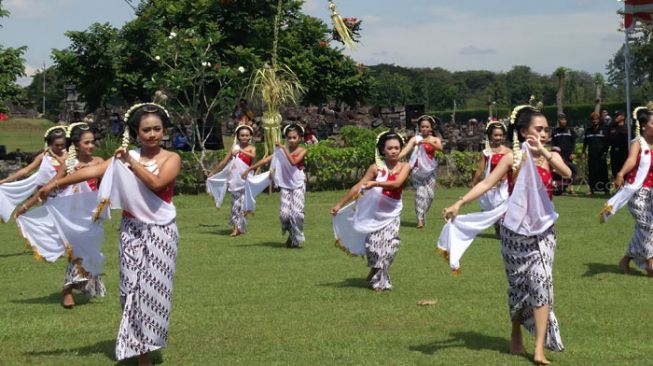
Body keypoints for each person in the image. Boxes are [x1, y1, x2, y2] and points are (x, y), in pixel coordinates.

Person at [39, 103, 181, 366]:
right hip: (131, 231)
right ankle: (141, 353)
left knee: (154, 292)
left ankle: (147, 345)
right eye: (146, 130)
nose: (152, 134)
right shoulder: (123, 158)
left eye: (157, 129)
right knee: (130, 290)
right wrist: (55, 183)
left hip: (162, 232)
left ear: (164, 130)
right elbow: (92, 171)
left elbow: (158, 183)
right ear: (137, 132)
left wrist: (129, 161)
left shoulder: (170, 158)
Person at [442, 105, 570, 364]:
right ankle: (515, 331)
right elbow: (486, 183)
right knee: (518, 287)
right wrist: (459, 203)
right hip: (513, 232)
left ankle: (538, 349)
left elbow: (567, 174)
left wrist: (543, 151)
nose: (544, 133)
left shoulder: (549, 156)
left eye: (547, 130)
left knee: (542, 282)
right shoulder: (512, 158)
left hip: (544, 231)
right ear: (523, 132)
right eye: (539, 129)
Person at [16, 122, 106, 308]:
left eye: (92, 142)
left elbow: (111, 184)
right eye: (86, 143)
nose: (90, 146)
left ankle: (84, 283)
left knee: (91, 251)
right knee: (77, 253)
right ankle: (67, 291)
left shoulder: (98, 162)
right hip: (71, 215)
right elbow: (48, 188)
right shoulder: (69, 164)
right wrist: (26, 205)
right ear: (76, 144)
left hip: (92, 214)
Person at [331, 130, 410, 291]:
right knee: (374, 246)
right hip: (374, 213)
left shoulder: (405, 166)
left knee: (390, 247)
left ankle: (379, 281)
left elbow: (396, 184)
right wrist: (340, 204)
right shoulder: (375, 168)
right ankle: (375, 269)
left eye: (397, 148)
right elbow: (357, 187)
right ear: (383, 150)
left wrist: (376, 184)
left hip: (392, 212)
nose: (394, 151)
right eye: (390, 148)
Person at [604, 105, 653, 276]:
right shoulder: (637, 143)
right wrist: (621, 173)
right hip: (636, 191)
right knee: (647, 225)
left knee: (643, 228)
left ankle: (626, 259)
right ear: (645, 125)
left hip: (652, 193)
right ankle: (650, 264)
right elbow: (632, 160)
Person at [243, 124, 308, 248]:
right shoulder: (282, 151)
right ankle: (292, 233)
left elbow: (294, 162)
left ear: (300, 138)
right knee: (284, 215)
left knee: (297, 214)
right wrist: (249, 169)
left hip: (298, 184)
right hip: (285, 185)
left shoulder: (302, 150)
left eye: (294, 138)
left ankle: (295, 238)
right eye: (289, 138)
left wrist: (283, 149)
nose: (291, 140)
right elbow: (266, 160)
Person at [0, 126, 67, 222]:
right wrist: (5, 180)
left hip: (64, 193)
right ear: (50, 145)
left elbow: (66, 166)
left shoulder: (67, 155)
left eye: (62, 145)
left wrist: (54, 155)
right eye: (57, 145)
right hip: (46, 194)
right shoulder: (43, 156)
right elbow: (26, 170)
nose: (60, 147)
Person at [207, 125, 256, 237]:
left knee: (243, 205)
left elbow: (253, 156)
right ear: (238, 136)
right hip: (235, 180)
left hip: (246, 180)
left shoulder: (251, 148)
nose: (244, 137)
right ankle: (235, 228)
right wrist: (213, 172)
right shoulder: (234, 149)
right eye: (242, 135)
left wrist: (241, 150)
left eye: (246, 135)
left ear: (250, 137)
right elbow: (224, 162)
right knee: (235, 205)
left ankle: (241, 227)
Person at [398, 115, 443, 228]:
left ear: (431, 128)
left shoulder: (435, 139)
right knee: (420, 194)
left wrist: (426, 142)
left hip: (430, 170)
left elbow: (440, 148)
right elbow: (406, 150)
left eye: (427, 126)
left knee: (430, 196)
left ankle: (422, 214)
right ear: (419, 127)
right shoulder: (415, 139)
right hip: (417, 170)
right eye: (422, 127)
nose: (424, 129)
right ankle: (419, 219)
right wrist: (396, 157)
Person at [470, 120, 510, 235]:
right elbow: (480, 169)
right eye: (496, 135)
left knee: (503, 207)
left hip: (504, 185)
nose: (498, 137)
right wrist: (474, 183)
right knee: (492, 208)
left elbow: (513, 168)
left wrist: (506, 176)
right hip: (490, 185)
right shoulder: (486, 152)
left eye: (500, 135)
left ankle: (504, 229)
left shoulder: (508, 151)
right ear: (490, 136)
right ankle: (498, 226)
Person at [582, 112, 609, 195]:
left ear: (599, 120)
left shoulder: (604, 129)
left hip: (601, 156)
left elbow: (607, 142)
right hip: (592, 155)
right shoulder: (588, 130)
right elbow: (585, 143)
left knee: (603, 172)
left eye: (596, 119)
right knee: (592, 172)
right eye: (593, 119)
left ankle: (606, 190)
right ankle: (592, 189)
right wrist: (583, 152)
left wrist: (605, 152)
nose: (595, 121)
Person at [551, 113, 577, 194]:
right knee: (559, 172)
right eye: (562, 120)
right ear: (559, 121)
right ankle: (561, 188)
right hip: (559, 156)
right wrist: (555, 155)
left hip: (568, 155)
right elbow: (553, 144)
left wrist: (573, 152)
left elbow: (574, 142)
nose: (564, 121)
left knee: (571, 171)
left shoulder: (570, 130)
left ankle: (571, 188)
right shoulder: (555, 131)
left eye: (565, 120)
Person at [608, 111, 629, 180]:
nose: (615, 117)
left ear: (623, 117)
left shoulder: (628, 127)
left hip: (624, 151)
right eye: (615, 116)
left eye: (617, 116)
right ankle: (618, 188)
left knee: (625, 169)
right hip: (614, 151)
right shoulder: (611, 126)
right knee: (615, 169)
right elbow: (608, 139)